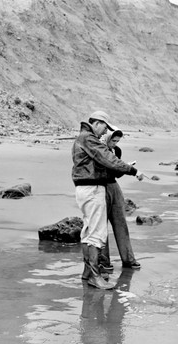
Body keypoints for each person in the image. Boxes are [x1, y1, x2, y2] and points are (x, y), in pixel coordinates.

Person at [72, 110, 143, 290]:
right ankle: (95, 276)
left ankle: (87, 272)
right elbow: (107, 158)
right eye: (104, 127)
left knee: (88, 231)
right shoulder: (89, 139)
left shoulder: (84, 138)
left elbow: (103, 161)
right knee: (97, 234)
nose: (105, 132)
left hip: (84, 188)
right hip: (93, 189)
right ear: (97, 123)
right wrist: (133, 171)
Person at [102, 129, 141, 269]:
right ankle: (104, 261)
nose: (115, 144)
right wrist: (126, 168)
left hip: (114, 186)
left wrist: (126, 168)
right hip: (101, 186)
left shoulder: (117, 151)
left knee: (121, 223)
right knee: (101, 226)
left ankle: (129, 259)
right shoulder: (100, 150)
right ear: (107, 138)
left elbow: (116, 174)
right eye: (113, 141)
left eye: (117, 141)